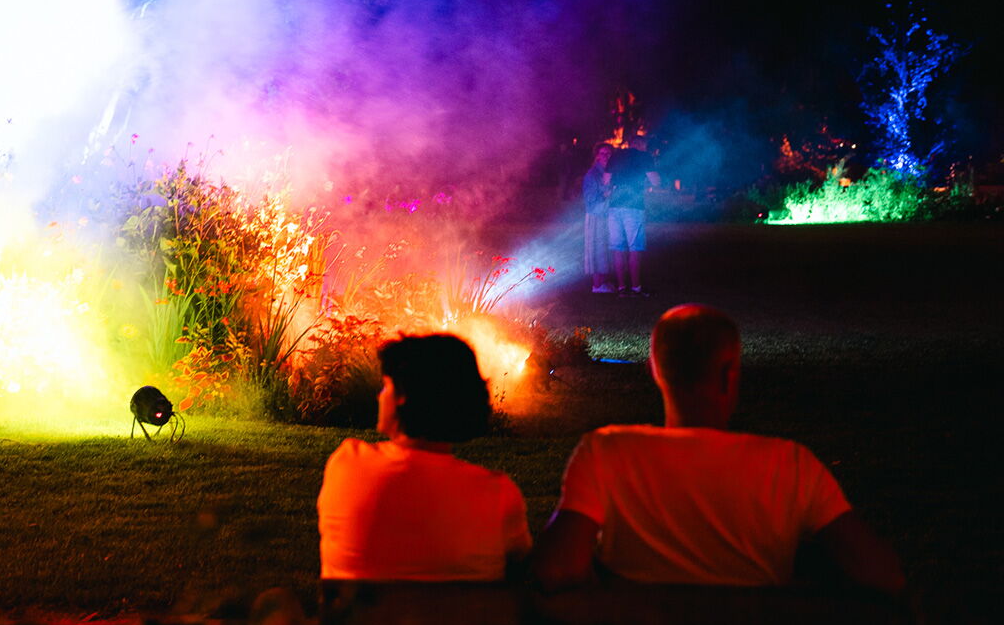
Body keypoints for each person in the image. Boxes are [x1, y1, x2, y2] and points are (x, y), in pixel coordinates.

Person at [533, 305, 904, 595]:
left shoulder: (605, 452)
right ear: (729, 373)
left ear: (655, 371)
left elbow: (555, 568)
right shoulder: (790, 464)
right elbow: (881, 574)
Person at [318, 334, 531, 583]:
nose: (379, 396)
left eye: (386, 386)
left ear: (402, 396)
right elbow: (523, 569)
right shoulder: (499, 495)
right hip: (463, 621)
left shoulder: (347, 463)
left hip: (356, 620)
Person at [604, 134, 661, 296]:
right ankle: (636, 287)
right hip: (634, 207)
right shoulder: (644, 156)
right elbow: (655, 180)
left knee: (617, 248)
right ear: (642, 145)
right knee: (635, 248)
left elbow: (606, 180)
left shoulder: (616, 156)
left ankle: (621, 288)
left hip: (614, 207)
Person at [582, 143, 614, 293]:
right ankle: (597, 285)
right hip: (595, 215)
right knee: (596, 249)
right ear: (597, 155)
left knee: (604, 248)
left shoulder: (609, 172)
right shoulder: (592, 174)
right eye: (602, 153)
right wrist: (605, 194)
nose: (606, 156)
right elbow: (589, 198)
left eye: (608, 153)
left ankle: (604, 282)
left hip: (606, 214)